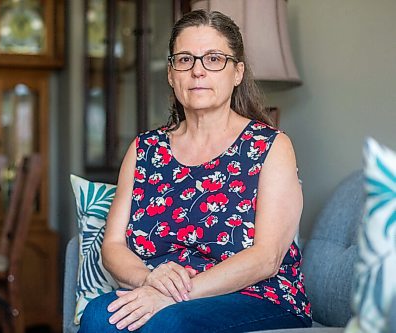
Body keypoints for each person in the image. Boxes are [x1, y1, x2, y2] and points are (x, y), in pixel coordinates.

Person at [79, 9, 312, 333]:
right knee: (98, 315)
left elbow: (266, 257)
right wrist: (149, 279)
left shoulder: (270, 146)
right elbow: (113, 247)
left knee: (169, 322)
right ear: (172, 74)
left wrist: (177, 297)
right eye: (185, 60)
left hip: (256, 296)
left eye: (214, 59)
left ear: (237, 72)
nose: (198, 71)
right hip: (158, 290)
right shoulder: (145, 149)